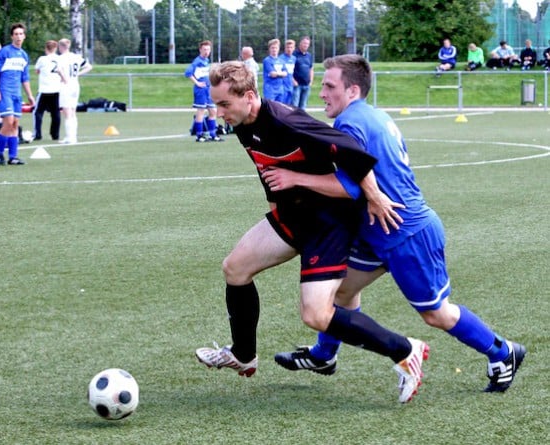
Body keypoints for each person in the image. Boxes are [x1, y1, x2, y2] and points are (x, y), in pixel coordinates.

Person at [270, 54, 526, 394]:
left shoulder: (351, 124)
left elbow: (350, 185)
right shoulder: (371, 116)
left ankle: (502, 351)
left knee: (436, 314)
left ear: (353, 89)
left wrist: (293, 178)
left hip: (407, 233)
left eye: (329, 86)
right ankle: (324, 355)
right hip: (378, 230)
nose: (322, 94)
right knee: (342, 291)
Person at [195, 61, 430, 404]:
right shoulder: (244, 123)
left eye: (223, 105)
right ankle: (243, 355)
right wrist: (276, 216)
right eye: (215, 105)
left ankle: (405, 349)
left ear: (248, 96)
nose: (218, 114)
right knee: (235, 268)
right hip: (294, 215)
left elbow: (353, 153)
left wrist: (375, 196)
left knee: (316, 315)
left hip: (327, 222)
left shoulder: (284, 119)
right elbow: (268, 170)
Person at [0, 23, 35, 165]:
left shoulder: (24, 55)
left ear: (24, 36)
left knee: (15, 124)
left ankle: (13, 156)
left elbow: (25, 77)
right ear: (12, 36)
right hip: (5, 92)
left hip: (17, 94)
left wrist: (29, 95)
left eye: (21, 34)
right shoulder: (4, 52)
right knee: (8, 122)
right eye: (16, 34)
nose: (18, 36)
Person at [185, 40, 222, 142]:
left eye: (208, 49)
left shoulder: (206, 61)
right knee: (201, 111)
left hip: (208, 90)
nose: (207, 51)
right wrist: (197, 83)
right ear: (200, 50)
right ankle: (199, 135)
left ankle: (213, 134)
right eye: (205, 49)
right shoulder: (197, 61)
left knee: (213, 111)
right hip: (201, 91)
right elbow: (188, 73)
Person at [57, 38, 92, 144]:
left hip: (66, 86)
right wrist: (78, 74)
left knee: (67, 112)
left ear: (61, 47)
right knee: (73, 112)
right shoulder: (76, 57)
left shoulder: (61, 58)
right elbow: (89, 67)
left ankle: (70, 137)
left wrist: (64, 78)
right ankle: (73, 136)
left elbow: (59, 69)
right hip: (75, 85)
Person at [33, 40, 64, 141]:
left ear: (46, 48)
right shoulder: (60, 59)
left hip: (44, 90)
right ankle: (55, 135)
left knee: (38, 112)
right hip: (56, 90)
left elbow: (37, 71)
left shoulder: (42, 59)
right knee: (55, 113)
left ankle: (37, 134)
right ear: (55, 48)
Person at [292, 36, 314, 109]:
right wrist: (293, 80)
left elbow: (311, 68)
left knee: (303, 106)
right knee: (295, 106)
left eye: (307, 44)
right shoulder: (294, 55)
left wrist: (311, 81)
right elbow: (289, 69)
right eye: (304, 43)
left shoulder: (309, 55)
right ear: (300, 44)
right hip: (297, 85)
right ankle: (293, 120)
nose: (306, 45)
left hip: (306, 85)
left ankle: (301, 120)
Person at [262, 38, 287, 102]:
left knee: (279, 108)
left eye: (276, 48)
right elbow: (272, 74)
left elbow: (285, 74)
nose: (274, 49)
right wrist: (280, 73)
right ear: (269, 49)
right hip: (270, 89)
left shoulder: (281, 61)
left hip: (280, 88)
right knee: (269, 108)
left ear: (278, 49)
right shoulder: (267, 60)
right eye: (272, 48)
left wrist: (278, 74)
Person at [279, 39, 296, 105]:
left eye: (291, 47)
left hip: (291, 85)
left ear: (294, 48)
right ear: (285, 48)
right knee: (282, 104)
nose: (289, 49)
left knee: (290, 105)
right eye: (288, 47)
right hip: (283, 85)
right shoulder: (280, 58)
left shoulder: (294, 58)